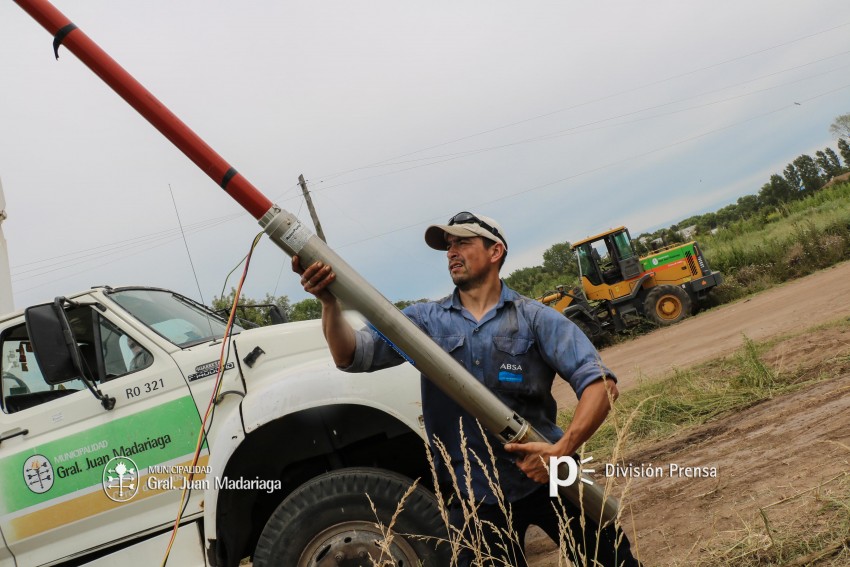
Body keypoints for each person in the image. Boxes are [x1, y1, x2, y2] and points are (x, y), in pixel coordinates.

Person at [292, 211, 640, 567]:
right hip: (473, 494)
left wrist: (561, 451)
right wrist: (328, 302)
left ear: (495, 251)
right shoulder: (423, 322)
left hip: (549, 472)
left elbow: (601, 385)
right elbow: (350, 355)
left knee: (613, 561)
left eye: (462, 242)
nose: (451, 252)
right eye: (448, 245)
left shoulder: (536, 318)